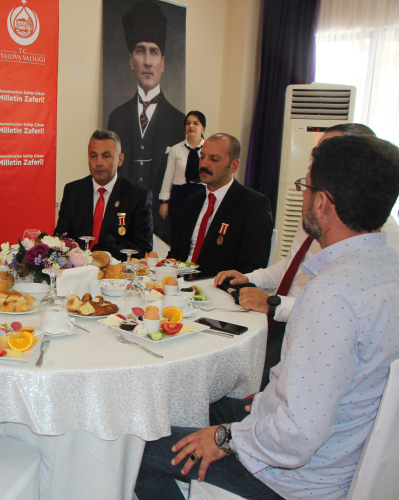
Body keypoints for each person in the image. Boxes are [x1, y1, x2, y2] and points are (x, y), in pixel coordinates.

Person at [134, 134, 399, 500]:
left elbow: (296, 437)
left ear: (321, 202)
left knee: (139, 452)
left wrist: (224, 438)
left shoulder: (331, 294)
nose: (303, 195)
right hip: (339, 447)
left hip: (292, 478)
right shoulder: (388, 267)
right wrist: (272, 397)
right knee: (193, 405)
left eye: (306, 186)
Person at [213, 123, 399, 390]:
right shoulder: (317, 215)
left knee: (225, 377)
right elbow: (292, 265)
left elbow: (333, 314)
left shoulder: (373, 237)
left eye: (325, 156)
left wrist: (274, 304)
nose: (312, 167)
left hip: (299, 328)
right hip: (282, 318)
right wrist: (251, 278)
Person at [107, 0, 186, 246]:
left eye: (154, 52)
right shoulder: (116, 116)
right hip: (123, 223)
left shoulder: (179, 121)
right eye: (141, 51)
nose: (148, 61)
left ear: (163, 62)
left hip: (163, 227)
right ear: (131, 60)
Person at [166, 133, 272, 275]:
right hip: (180, 283)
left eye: (214, 159)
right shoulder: (192, 202)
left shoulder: (253, 204)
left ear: (234, 166)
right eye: (202, 157)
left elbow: (253, 269)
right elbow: (177, 252)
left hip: (218, 285)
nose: (204, 164)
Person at [54, 129, 153, 260]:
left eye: (106, 156)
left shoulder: (138, 196)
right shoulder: (73, 191)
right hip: (77, 269)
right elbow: (61, 238)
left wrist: (106, 254)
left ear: (120, 159)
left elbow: (143, 249)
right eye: (93, 156)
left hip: (117, 270)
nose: (98, 163)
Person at [158, 111, 207, 243]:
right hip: (179, 196)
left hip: (201, 194)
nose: (191, 126)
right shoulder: (176, 149)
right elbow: (169, 175)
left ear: (203, 127)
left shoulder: (208, 149)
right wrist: (164, 201)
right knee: (178, 234)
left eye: (195, 123)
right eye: (188, 123)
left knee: (197, 234)